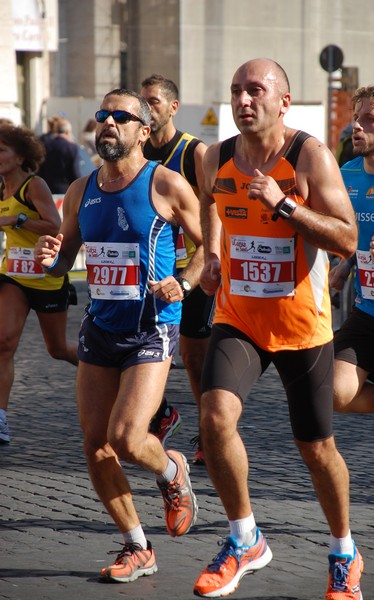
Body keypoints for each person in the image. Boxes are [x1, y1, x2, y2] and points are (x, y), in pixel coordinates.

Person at [194, 58, 361, 599]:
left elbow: (347, 240)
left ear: (283, 101)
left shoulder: (309, 156)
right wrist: (212, 256)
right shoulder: (216, 156)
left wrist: (285, 204)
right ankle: (245, 538)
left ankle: (344, 551)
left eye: (256, 90)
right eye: (237, 90)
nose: (244, 100)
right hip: (238, 315)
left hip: (302, 326)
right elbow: (211, 204)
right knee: (215, 415)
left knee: (315, 448)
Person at [34, 88, 202, 583]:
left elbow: (210, 250)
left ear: (143, 131)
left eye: (121, 116)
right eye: (103, 115)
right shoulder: (83, 189)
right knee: (95, 444)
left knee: (126, 438)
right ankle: (137, 546)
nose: (108, 122)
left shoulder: (167, 184)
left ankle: (171, 470)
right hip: (100, 327)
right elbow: (67, 257)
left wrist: (184, 281)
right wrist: (53, 261)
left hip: (152, 327)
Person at [141, 74, 212, 464]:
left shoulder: (193, 152)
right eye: (143, 101)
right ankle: (162, 413)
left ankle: (208, 431)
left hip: (192, 268)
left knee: (194, 357)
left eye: (154, 101)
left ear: (172, 107)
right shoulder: (136, 150)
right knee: (136, 346)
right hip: (151, 270)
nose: (147, 108)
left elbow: (212, 209)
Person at [329, 84, 374, 458]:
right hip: (369, 310)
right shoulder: (347, 175)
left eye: (370, 119)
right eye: (356, 119)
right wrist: (347, 263)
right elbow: (355, 235)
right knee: (333, 393)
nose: (358, 127)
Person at [0, 124, 78, 444]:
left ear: (19, 157)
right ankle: (1, 417)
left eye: (2, 150)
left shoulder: (34, 186)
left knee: (57, 349)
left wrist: (17, 220)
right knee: (3, 342)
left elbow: (56, 226)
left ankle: (103, 367)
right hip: (13, 275)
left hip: (45, 277)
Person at [38, 116, 82, 193]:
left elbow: (40, 171)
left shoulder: (45, 146)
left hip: (46, 189)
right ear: (68, 132)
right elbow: (75, 173)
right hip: (65, 191)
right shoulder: (72, 148)